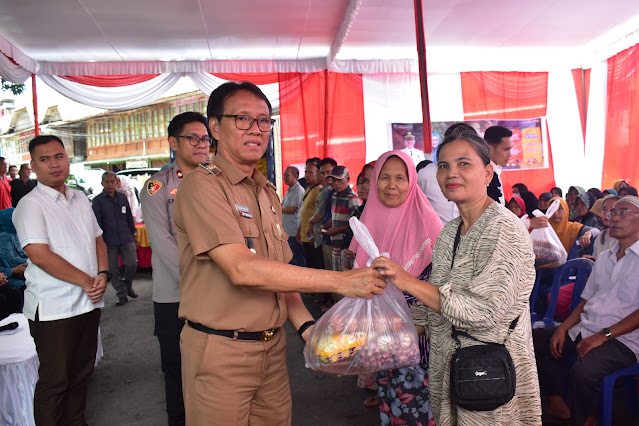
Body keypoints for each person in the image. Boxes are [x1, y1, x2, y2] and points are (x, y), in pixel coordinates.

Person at [173, 81, 386, 424]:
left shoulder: (266, 192)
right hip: (221, 352)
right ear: (215, 126)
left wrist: (310, 332)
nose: (256, 129)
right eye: (242, 119)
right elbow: (242, 269)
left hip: (272, 351)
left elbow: (281, 277)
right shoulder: (202, 186)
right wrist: (342, 281)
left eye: (264, 121)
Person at [372, 131, 541, 425]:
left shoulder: (504, 229)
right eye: (444, 166)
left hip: (489, 374)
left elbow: (483, 311)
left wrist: (406, 280)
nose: (452, 174)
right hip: (449, 371)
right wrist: (386, 327)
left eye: (464, 164)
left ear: (488, 172)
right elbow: (435, 302)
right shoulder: (450, 232)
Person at [13, 135, 107, 426]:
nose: (54, 164)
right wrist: (86, 281)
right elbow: (39, 255)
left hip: (88, 304)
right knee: (55, 382)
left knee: (81, 375)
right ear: (33, 165)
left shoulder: (79, 197)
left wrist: (103, 274)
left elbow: (98, 239)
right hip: (54, 309)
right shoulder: (30, 205)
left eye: (59, 156)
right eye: (45, 159)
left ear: (68, 159)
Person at [350, 151, 442, 426]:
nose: (392, 185)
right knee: (390, 405)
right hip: (381, 340)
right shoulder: (367, 221)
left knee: (418, 410)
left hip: (419, 344)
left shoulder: (430, 224)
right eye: (384, 177)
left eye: (400, 178)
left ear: (411, 181)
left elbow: (442, 289)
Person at [533, 196, 639, 426]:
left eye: (624, 212)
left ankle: (595, 416)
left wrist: (603, 336)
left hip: (623, 339)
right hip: (587, 328)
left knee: (583, 372)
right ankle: (556, 399)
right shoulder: (604, 258)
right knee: (534, 340)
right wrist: (563, 328)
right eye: (614, 212)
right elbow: (585, 301)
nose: (614, 217)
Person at [140, 111, 210, 426]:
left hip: (217, 292)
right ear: (173, 142)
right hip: (175, 295)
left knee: (212, 366)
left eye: (206, 138)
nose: (201, 144)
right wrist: (201, 281)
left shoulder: (216, 179)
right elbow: (163, 243)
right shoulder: (157, 187)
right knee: (177, 367)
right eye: (192, 138)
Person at [92, 171, 139, 306]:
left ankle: (127, 286)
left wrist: (134, 235)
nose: (110, 184)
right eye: (107, 182)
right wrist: (101, 243)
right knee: (113, 269)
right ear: (102, 183)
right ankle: (121, 294)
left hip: (126, 237)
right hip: (109, 241)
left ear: (116, 183)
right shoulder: (98, 201)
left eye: (112, 181)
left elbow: (129, 217)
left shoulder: (122, 197)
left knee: (132, 264)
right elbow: (96, 224)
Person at [322, 166, 361, 274]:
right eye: (334, 180)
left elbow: (357, 225)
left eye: (340, 180)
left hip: (346, 249)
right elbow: (336, 217)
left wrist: (337, 230)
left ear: (348, 180)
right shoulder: (334, 196)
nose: (337, 183)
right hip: (335, 246)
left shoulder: (352, 198)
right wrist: (326, 225)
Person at [0, 208, 27, 314]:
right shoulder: (3, 236)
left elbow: (22, 252)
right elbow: (11, 260)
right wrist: (11, 271)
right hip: (10, 276)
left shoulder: (14, 233)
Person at [297, 162, 323, 269]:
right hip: (305, 234)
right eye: (306, 172)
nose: (307, 175)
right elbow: (304, 212)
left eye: (310, 172)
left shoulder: (319, 189)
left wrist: (313, 234)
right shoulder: (308, 189)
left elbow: (319, 213)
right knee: (308, 263)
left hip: (312, 236)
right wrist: (299, 230)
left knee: (314, 265)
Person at [583, 195, 619, 261]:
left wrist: (597, 260)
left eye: (612, 210)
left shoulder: (625, 238)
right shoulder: (601, 235)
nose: (606, 213)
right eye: (604, 209)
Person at [483, 125, 513, 205]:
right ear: (490, 149)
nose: (510, 154)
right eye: (506, 149)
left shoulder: (495, 171)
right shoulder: (485, 175)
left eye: (510, 149)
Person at [282, 166, 305, 266]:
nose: (284, 177)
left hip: (294, 231)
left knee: (297, 258)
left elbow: (293, 209)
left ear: (295, 176)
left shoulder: (298, 190)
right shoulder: (289, 190)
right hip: (287, 231)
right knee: (291, 258)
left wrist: (277, 210)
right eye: (284, 175)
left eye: (287, 175)